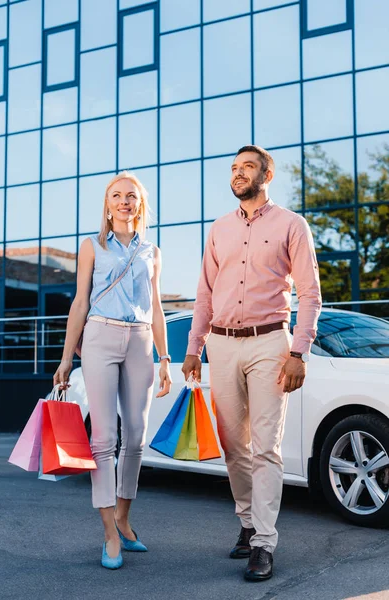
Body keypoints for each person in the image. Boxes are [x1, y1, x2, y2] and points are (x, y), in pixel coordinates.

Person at [182, 145, 322, 582]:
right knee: (233, 445)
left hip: (270, 344)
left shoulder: (291, 224)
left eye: (247, 167)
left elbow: (310, 293)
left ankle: (263, 543)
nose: (238, 174)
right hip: (221, 345)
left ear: (268, 173)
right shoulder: (219, 229)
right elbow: (204, 293)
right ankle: (247, 523)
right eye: (234, 168)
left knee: (266, 447)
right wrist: (193, 346)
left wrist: (298, 352)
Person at [53, 171, 172, 570]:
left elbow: (156, 309)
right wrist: (67, 358)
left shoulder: (152, 251)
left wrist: (165, 358)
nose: (124, 202)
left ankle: (123, 516)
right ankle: (108, 533)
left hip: (140, 342)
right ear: (108, 205)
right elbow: (79, 304)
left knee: (136, 437)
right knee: (103, 437)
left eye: (131, 196)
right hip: (100, 338)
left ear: (140, 204)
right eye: (117, 196)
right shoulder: (92, 247)